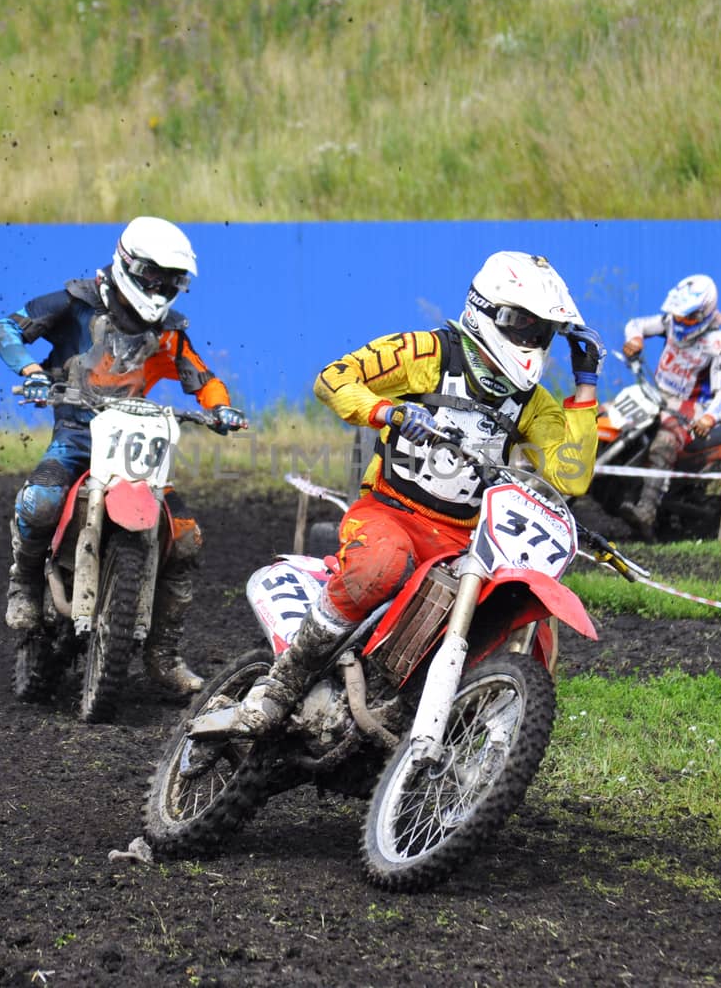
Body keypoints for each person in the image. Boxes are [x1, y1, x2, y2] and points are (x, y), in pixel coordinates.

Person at [190, 250, 604, 739]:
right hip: (391, 511)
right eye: (523, 326)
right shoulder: (427, 353)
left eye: (542, 333)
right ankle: (280, 687)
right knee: (380, 565)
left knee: (523, 617)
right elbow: (334, 379)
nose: (532, 341)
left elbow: (568, 476)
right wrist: (387, 412)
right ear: (487, 310)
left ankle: (472, 745)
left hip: (467, 541)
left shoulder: (534, 404)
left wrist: (585, 385)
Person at [0, 216, 246, 695]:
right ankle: (24, 581)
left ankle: (163, 652)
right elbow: (6, 327)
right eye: (157, 275)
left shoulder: (168, 329)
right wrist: (31, 370)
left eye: (175, 280)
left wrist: (222, 408)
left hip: (133, 442)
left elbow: (202, 377)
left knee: (186, 538)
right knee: (42, 500)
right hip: (76, 433)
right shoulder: (75, 303)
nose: (165, 287)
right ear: (130, 264)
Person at [615, 273, 721, 541]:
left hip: (690, 406)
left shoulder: (719, 344)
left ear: (703, 312)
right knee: (611, 416)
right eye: (678, 315)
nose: (680, 321)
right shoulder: (670, 322)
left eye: (687, 316)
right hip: (655, 392)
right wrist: (634, 339)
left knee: (664, 441)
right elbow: (636, 324)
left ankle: (646, 511)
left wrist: (709, 417)